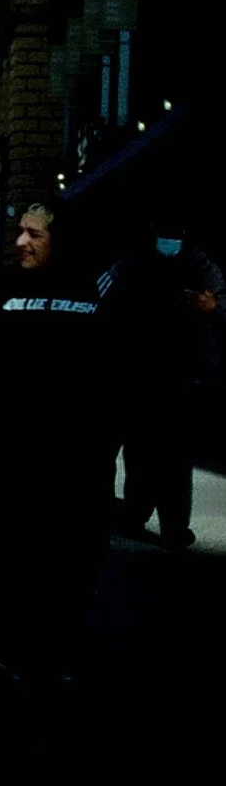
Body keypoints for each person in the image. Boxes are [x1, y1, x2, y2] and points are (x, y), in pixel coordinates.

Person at [0, 204, 119, 683]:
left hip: (80, 457)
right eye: (18, 232)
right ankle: (5, 649)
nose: (20, 242)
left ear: (62, 239)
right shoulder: (0, 287)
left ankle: (60, 653)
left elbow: (129, 362)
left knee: (73, 560)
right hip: (9, 452)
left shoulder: (102, 287)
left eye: (34, 234)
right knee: (13, 554)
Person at [109, 218, 222, 549]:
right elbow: (104, 302)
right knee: (144, 453)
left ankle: (171, 526)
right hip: (141, 376)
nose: (169, 241)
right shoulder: (133, 264)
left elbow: (223, 306)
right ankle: (138, 516)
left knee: (172, 457)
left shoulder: (201, 266)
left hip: (183, 378)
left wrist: (212, 306)